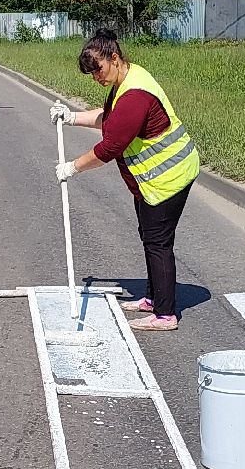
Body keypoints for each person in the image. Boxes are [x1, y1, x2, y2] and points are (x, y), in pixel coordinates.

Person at [51, 30, 201, 332]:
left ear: (114, 58)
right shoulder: (127, 80)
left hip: (168, 178)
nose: (97, 77)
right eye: (92, 74)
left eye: (99, 69)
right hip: (152, 181)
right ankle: (152, 298)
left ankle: (165, 314)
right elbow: (110, 118)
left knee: (158, 242)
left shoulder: (135, 94)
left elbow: (109, 147)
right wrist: (72, 117)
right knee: (149, 235)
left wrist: (72, 167)